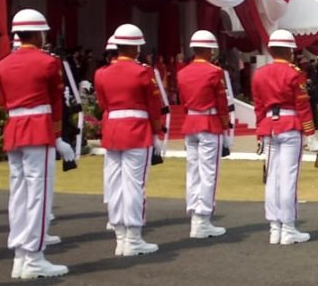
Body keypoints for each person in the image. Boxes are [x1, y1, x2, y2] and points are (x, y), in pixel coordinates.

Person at [0, 9, 72, 279]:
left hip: (14, 128)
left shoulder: (4, 63)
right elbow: (55, 102)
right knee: (38, 194)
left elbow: (4, 101)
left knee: (17, 194)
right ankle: (34, 256)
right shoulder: (48, 62)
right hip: (38, 128)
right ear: (40, 33)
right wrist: (57, 135)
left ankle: (20, 254)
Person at [95, 23, 165, 257]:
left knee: (115, 184)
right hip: (137, 130)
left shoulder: (102, 73)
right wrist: (157, 132)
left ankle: (120, 238)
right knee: (134, 185)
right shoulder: (143, 72)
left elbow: (103, 105)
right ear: (136, 48)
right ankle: (133, 238)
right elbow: (154, 106)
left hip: (113, 131)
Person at [251, 30, 318, 245]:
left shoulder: (260, 73)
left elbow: (259, 106)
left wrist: (260, 132)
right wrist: (311, 134)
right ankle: (288, 228)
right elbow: (302, 104)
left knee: (272, 178)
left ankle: (274, 228)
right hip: (290, 126)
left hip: (269, 127)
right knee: (288, 178)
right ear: (291, 51)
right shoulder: (294, 73)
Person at [177, 30, 230, 239]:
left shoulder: (182, 72)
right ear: (209, 49)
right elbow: (222, 103)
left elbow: (182, 101)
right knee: (209, 173)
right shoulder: (214, 72)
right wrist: (225, 128)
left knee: (193, 172)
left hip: (190, 122)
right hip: (209, 122)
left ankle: (194, 216)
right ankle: (203, 219)